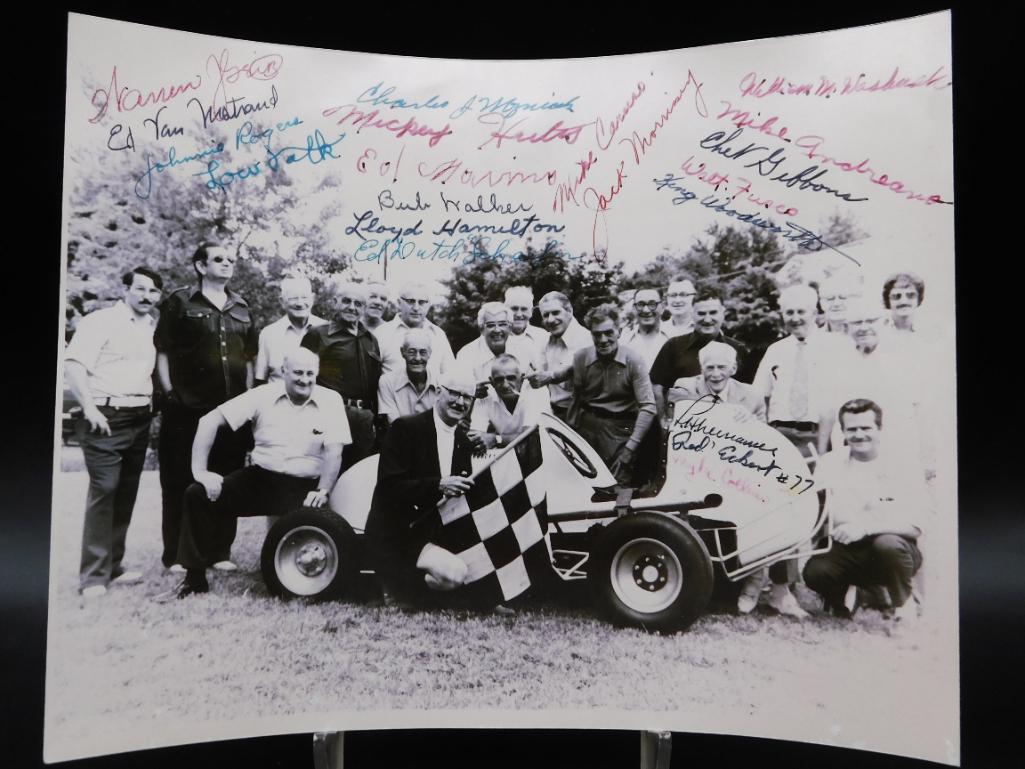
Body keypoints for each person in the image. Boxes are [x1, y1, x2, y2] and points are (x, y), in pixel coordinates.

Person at [156, 349, 351, 600]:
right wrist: (201, 472)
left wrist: (322, 490)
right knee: (198, 494)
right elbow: (209, 421)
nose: (305, 380)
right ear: (284, 372)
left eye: (310, 374)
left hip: (305, 486)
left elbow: (334, 452)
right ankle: (194, 579)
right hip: (262, 479)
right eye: (298, 373)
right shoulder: (262, 395)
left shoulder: (331, 400)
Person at [155, 241, 257, 573]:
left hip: (231, 414)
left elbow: (250, 357)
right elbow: (162, 350)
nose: (227, 264)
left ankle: (219, 552)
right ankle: (177, 555)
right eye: (218, 259)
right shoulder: (180, 302)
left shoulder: (242, 306)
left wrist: (249, 397)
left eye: (230, 259)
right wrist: (171, 393)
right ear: (201, 266)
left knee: (226, 480)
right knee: (180, 481)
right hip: (188, 412)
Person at [65, 267, 163, 597]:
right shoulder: (100, 321)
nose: (147, 296)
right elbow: (74, 365)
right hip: (104, 416)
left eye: (154, 292)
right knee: (105, 488)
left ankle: (114, 564)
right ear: (126, 290)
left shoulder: (153, 326)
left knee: (125, 491)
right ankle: (93, 577)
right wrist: (90, 408)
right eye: (141, 289)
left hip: (139, 416)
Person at [365, 369, 491, 608]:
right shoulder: (405, 428)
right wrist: (439, 484)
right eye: (454, 393)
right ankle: (396, 584)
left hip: (434, 532)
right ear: (438, 393)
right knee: (453, 573)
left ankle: (415, 589)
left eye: (467, 397)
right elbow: (389, 487)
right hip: (397, 532)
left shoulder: (463, 441)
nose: (460, 402)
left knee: (462, 570)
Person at [804, 399, 926, 622]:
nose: (859, 435)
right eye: (852, 429)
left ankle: (903, 602)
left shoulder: (904, 464)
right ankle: (853, 594)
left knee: (887, 545)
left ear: (880, 428)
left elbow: (916, 525)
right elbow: (813, 507)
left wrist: (865, 528)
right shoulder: (829, 463)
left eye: (866, 428)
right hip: (847, 547)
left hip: (893, 547)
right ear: (842, 432)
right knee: (815, 572)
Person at [751, 284, 852, 459]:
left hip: (819, 436)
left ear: (813, 313)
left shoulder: (836, 347)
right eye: (789, 313)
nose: (795, 318)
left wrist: (825, 449)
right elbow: (759, 395)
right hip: (779, 437)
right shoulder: (776, 350)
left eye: (801, 312)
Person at [562, 304, 656, 486]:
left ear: (619, 331)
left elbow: (648, 406)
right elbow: (577, 396)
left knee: (618, 485)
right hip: (588, 429)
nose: (603, 339)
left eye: (608, 333)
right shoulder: (581, 357)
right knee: (583, 486)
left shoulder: (634, 360)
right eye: (597, 334)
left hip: (621, 431)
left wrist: (630, 448)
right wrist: (571, 433)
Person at [301, 281, 382, 468]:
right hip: (329, 417)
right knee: (324, 474)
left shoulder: (371, 339)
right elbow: (302, 379)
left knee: (358, 475)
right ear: (335, 302)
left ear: (364, 308)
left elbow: (375, 382)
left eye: (358, 304)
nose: (352, 307)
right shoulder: (318, 335)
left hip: (363, 420)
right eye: (346, 301)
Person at [649, 288, 749, 425]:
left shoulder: (738, 349)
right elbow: (657, 387)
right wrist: (663, 419)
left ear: (723, 314)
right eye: (701, 313)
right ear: (692, 314)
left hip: (728, 428)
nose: (707, 319)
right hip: (683, 428)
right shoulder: (673, 346)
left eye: (713, 313)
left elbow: (747, 392)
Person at [529, 291, 592, 421]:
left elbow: (574, 373)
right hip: (554, 413)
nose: (551, 320)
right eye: (546, 315)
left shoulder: (586, 340)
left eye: (556, 312)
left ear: (569, 311)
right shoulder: (545, 341)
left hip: (582, 416)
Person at [254, 276, 327, 385]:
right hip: (277, 399)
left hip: (317, 400)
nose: (299, 303)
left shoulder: (326, 329)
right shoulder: (269, 334)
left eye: (304, 297)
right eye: (293, 298)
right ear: (282, 301)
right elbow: (260, 379)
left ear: (312, 299)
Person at [666, 341, 765, 421]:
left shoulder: (753, 395)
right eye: (710, 368)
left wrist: (751, 422)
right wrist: (729, 409)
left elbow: (763, 437)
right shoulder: (685, 386)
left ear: (733, 369)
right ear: (702, 370)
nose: (716, 374)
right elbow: (677, 403)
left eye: (721, 367)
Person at [375, 281, 454, 377]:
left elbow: (450, 375)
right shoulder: (382, 333)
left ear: (428, 305)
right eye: (410, 301)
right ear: (399, 303)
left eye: (421, 302)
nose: (416, 308)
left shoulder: (438, 335)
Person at [469, 354, 551, 447]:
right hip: (508, 454)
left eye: (511, 378)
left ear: (522, 378)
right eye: (499, 380)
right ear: (491, 382)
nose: (505, 385)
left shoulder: (537, 391)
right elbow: (474, 437)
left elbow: (531, 438)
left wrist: (496, 439)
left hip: (542, 451)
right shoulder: (484, 395)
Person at [455, 302, 540, 390]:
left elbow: (540, 378)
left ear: (510, 327)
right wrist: (471, 389)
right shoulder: (466, 354)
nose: (497, 330)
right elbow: (459, 388)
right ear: (481, 329)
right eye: (490, 325)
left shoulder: (525, 348)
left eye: (502, 324)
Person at [377, 328, 440, 423]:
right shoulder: (387, 382)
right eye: (412, 352)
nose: (417, 358)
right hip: (400, 436)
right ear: (402, 352)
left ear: (429, 354)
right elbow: (395, 425)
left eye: (423, 352)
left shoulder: (441, 383)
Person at [619, 287, 673, 371]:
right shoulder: (623, 342)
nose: (646, 310)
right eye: (640, 304)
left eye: (652, 304)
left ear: (662, 307)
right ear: (634, 308)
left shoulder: (675, 337)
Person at [504, 285, 549, 354]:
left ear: (531, 312)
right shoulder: (495, 336)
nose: (519, 314)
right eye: (514, 309)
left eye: (524, 309)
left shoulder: (543, 337)